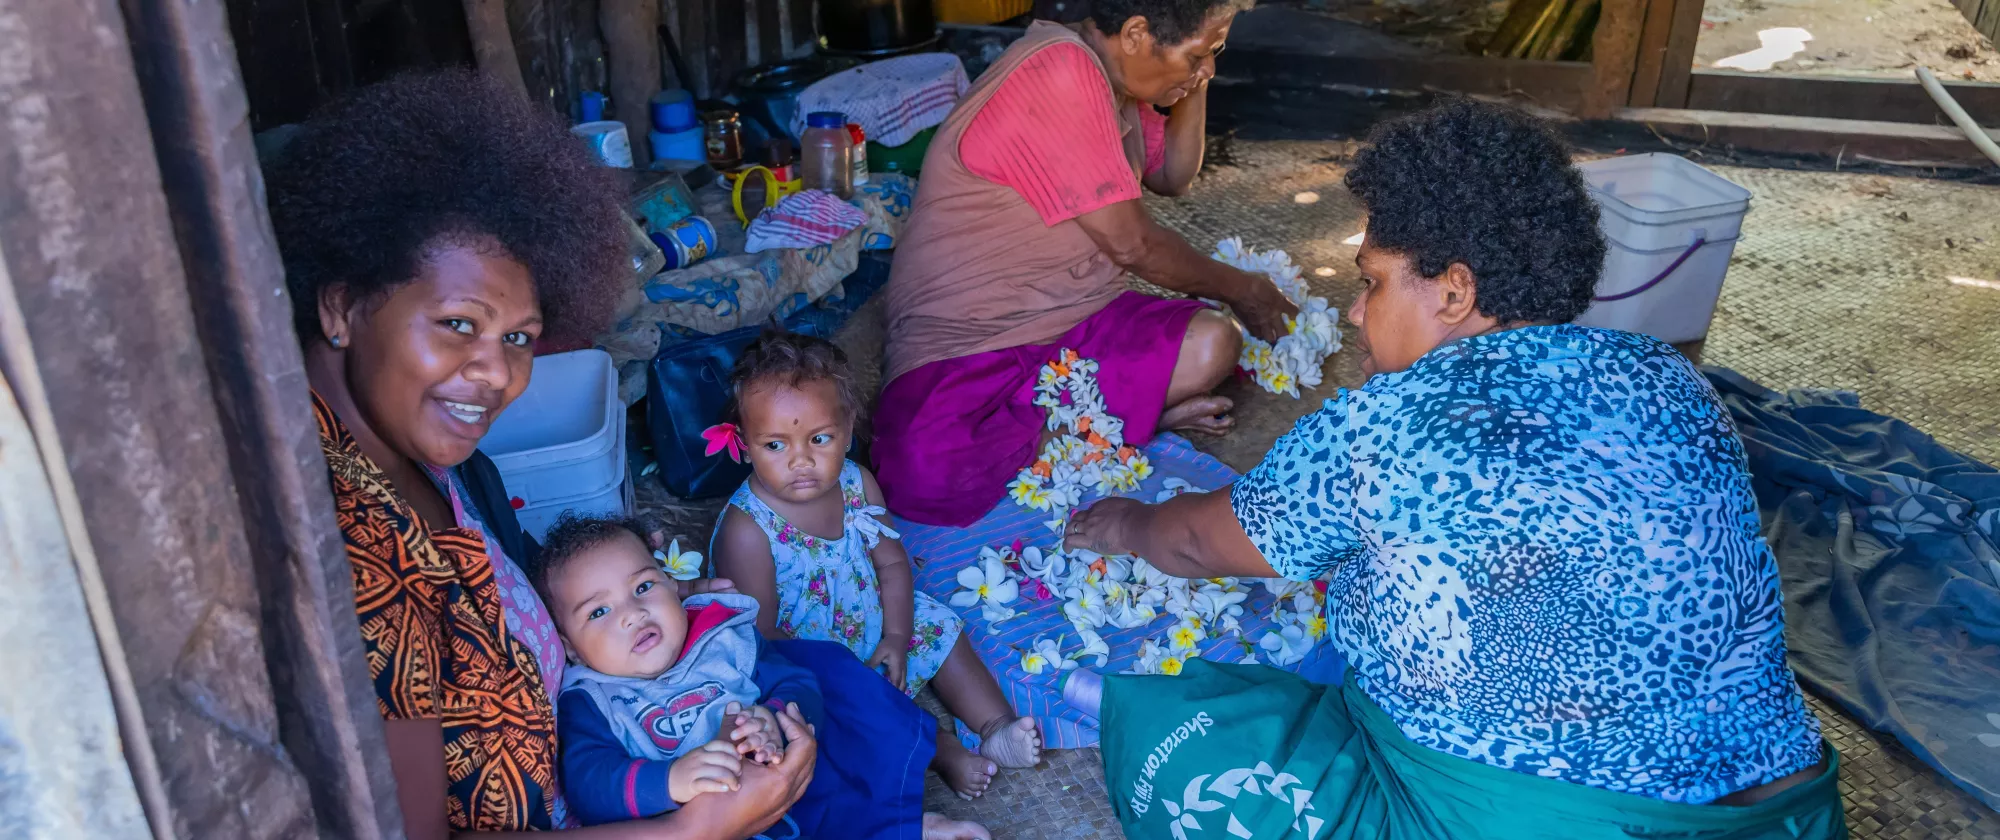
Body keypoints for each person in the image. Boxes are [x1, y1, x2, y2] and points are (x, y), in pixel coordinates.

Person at [1062, 100, 1844, 837]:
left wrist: (1129, 523)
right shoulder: (1667, 372)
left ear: (1456, 290)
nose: (1356, 312)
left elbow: (1200, 543)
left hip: (1538, 819)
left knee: (1183, 745)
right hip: (1784, 812)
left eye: (1371, 282)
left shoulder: (1382, 426)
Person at [271, 69, 811, 838]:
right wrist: (683, 833)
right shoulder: (359, 562)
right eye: (459, 323)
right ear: (340, 306)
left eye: (518, 337)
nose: (497, 374)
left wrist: (644, 604)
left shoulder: (422, 451)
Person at [872, 0, 1299, 527]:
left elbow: (1174, 175)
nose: (1209, 66)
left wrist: (1196, 73)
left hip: (1077, 319)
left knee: (1213, 342)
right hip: (969, 342)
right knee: (920, 474)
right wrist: (1244, 289)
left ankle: (1086, 428)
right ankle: (1118, 423)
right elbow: (1134, 247)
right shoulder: (1060, 71)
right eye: (1199, 54)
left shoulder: (1116, 73)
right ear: (1137, 33)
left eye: (1215, 53)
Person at [710, 332, 1043, 801]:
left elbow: (890, 564)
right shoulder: (747, 529)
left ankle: (996, 725)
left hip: (866, 613)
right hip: (807, 654)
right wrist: (849, 673)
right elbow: (761, 639)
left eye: (820, 438)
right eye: (775, 446)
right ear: (744, 446)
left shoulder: (856, 482)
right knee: (844, 712)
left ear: (848, 431)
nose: (801, 460)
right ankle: (941, 750)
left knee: (942, 629)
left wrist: (895, 637)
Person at [536, 516, 986, 839]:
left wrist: (774, 718)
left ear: (672, 584)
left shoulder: (721, 637)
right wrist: (669, 780)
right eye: (598, 611)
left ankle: (903, 826)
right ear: (570, 646)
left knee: (833, 726)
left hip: (789, 782)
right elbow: (588, 783)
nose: (632, 614)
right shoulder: (592, 700)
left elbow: (794, 682)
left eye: (643, 587)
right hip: (707, 823)